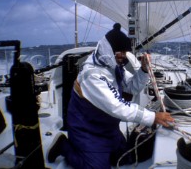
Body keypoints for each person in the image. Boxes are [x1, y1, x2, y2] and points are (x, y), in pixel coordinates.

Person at [47, 23, 174, 168]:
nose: (123, 56)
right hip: (86, 129)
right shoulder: (92, 75)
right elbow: (117, 107)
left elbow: (132, 87)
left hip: (108, 128)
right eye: (120, 51)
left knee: (125, 158)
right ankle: (63, 145)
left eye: (125, 52)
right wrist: (153, 117)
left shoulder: (113, 65)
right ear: (108, 49)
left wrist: (144, 70)